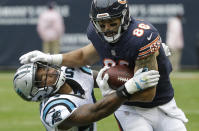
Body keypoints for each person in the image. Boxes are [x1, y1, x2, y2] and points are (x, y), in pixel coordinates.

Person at [19, 0, 188, 130]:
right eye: (102, 24)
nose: (107, 28)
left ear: (125, 18)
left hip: (163, 104)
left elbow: (147, 94)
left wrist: (51, 58)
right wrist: (118, 91)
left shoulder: (141, 37)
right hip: (129, 109)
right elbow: (85, 57)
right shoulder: (53, 109)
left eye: (112, 23)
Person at [13, 62, 160, 131]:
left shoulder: (70, 71)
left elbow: (107, 78)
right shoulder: (52, 108)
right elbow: (94, 112)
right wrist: (126, 90)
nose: (50, 72)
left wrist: (146, 59)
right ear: (38, 92)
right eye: (43, 78)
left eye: (45, 68)